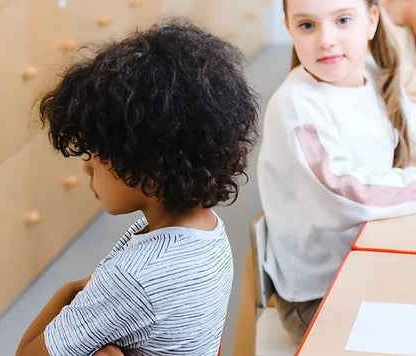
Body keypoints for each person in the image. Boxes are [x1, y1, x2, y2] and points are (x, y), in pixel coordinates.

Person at [15, 19, 258, 356]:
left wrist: (72, 291)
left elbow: (26, 354)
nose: (86, 166)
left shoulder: (133, 279)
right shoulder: (211, 231)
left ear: (151, 166)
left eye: (97, 153)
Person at [257, 0, 416, 344]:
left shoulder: (372, 71)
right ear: (290, 29)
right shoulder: (297, 106)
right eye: (307, 25)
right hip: (320, 292)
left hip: (371, 250)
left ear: (370, 22)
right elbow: (347, 193)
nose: (326, 39)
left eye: (343, 20)